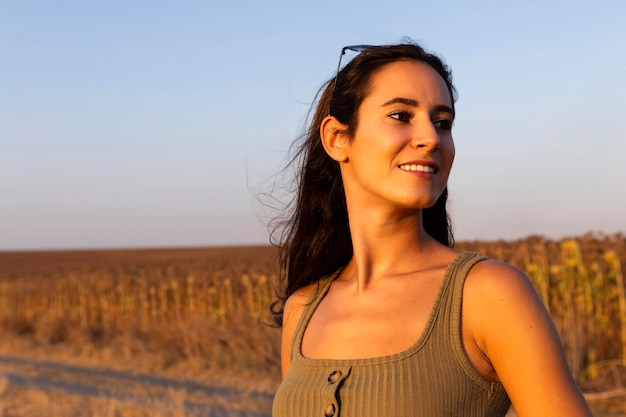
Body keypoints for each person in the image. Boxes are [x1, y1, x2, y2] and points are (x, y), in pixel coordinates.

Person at [270, 42, 592, 417]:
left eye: (443, 122)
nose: (431, 137)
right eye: (401, 115)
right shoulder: (303, 309)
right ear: (337, 138)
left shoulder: (488, 294)